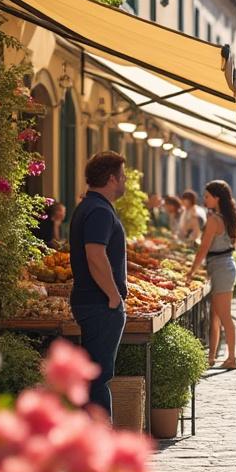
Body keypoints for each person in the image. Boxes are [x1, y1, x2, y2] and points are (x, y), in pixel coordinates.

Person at [67, 151, 129, 419]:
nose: (125, 181)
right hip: (99, 304)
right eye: (123, 176)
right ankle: (98, 441)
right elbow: (95, 255)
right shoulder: (100, 211)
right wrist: (114, 296)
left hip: (93, 302)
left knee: (95, 374)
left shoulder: (89, 206)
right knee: (98, 376)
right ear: (112, 179)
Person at [188, 180, 236, 370]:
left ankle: (232, 358)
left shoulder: (214, 219)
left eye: (207, 196)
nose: (205, 199)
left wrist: (192, 270)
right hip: (223, 266)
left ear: (216, 198)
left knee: (224, 316)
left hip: (221, 268)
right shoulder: (225, 217)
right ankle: (211, 357)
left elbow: (204, 248)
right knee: (215, 316)